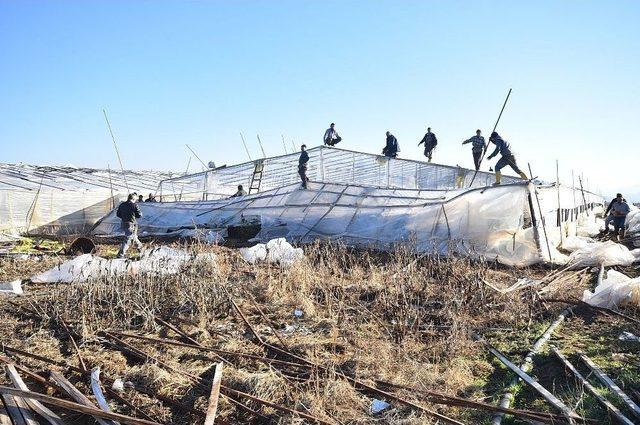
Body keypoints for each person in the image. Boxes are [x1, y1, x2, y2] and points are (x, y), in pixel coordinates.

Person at [116, 193, 143, 258]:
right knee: (128, 239)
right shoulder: (134, 205)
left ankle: (141, 250)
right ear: (133, 199)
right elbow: (139, 215)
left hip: (124, 223)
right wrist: (139, 214)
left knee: (133, 237)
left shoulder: (122, 205)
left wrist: (124, 217)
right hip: (131, 224)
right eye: (135, 199)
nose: (136, 200)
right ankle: (120, 255)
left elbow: (118, 214)